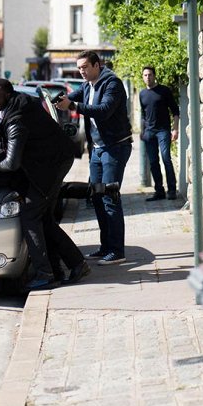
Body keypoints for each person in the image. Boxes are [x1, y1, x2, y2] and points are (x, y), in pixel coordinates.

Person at [0, 78, 90, 289]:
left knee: (30, 214)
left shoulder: (16, 119)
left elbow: (12, 162)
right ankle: (75, 264)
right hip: (53, 161)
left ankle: (45, 274)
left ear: (7, 95)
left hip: (51, 166)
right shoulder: (19, 105)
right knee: (42, 217)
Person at [55, 50, 132, 266]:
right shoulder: (88, 84)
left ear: (97, 65)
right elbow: (73, 96)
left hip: (115, 147)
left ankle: (117, 251)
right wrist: (63, 99)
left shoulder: (112, 84)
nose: (81, 72)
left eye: (85, 67)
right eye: (79, 68)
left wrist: (73, 106)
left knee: (110, 196)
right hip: (97, 150)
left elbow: (104, 110)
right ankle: (105, 247)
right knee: (96, 197)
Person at [139, 66, 180, 201]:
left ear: (154, 75)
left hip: (163, 131)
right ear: (142, 77)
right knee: (153, 162)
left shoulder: (164, 91)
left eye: (150, 74)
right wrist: (142, 131)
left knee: (166, 158)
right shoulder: (142, 94)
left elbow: (175, 111)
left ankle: (172, 190)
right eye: (145, 75)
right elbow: (143, 114)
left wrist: (175, 129)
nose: (147, 77)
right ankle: (159, 191)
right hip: (149, 132)